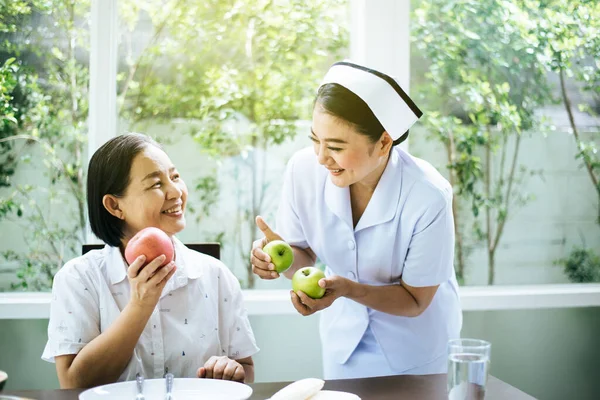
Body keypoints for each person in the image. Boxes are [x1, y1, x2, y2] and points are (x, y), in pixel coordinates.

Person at [250, 61, 462, 379]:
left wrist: (349, 289)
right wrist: (278, 256)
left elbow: (416, 299)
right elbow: (301, 255)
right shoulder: (303, 171)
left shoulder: (428, 196)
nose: (321, 157)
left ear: (383, 142)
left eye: (335, 147)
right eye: (315, 140)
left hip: (417, 350)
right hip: (344, 343)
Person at [42, 133, 258, 388]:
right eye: (156, 184)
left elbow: (246, 369)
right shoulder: (78, 278)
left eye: (175, 177)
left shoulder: (216, 275)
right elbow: (73, 383)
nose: (175, 191)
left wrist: (231, 371)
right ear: (114, 206)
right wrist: (140, 305)